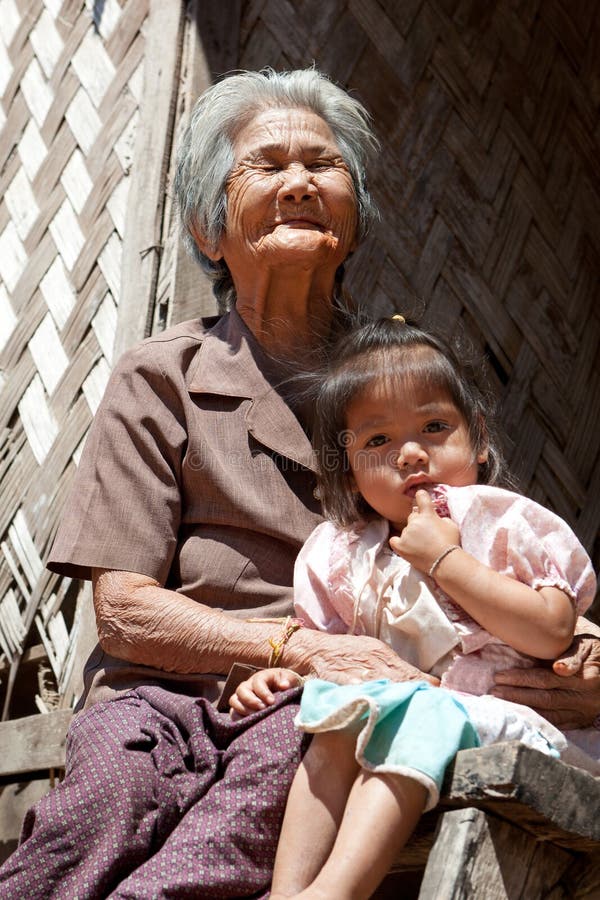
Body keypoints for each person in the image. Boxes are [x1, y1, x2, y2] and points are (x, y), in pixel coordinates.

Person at [0, 68, 598, 899]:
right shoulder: (161, 377)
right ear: (210, 232)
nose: (299, 183)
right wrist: (300, 644)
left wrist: (580, 657)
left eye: (323, 165)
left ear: (353, 226)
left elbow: (501, 545)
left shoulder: (404, 384)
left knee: (259, 799)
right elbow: (126, 610)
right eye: (267, 165)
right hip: (163, 698)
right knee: (95, 816)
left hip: (332, 707)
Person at [229, 317, 600, 900]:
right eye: (377, 441)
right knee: (334, 710)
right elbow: (326, 654)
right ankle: (288, 891)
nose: (409, 454)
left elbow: (553, 632)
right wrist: (286, 674)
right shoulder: (339, 553)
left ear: (477, 437)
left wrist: (447, 561)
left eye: (433, 426)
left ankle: (336, 892)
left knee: (419, 712)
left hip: (515, 727)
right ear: (347, 467)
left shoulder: (500, 522)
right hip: (409, 716)